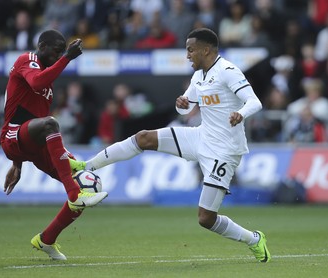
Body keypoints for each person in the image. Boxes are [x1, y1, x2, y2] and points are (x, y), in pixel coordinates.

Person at [70, 28, 271, 263]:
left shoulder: (228, 71)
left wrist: (240, 113)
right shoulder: (199, 75)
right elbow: (185, 107)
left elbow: (254, 101)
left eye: (190, 50)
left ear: (206, 49)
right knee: (144, 137)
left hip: (224, 151)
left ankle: (254, 239)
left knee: (206, 218)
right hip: (201, 136)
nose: (187, 55)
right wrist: (182, 103)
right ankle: (88, 165)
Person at [0, 29, 108, 260]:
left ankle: (46, 239)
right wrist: (68, 57)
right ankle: (73, 193)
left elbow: (34, 121)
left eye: (61, 53)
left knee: (89, 185)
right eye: (56, 52)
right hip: (12, 136)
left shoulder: (47, 87)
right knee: (51, 123)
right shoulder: (26, 60)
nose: (59, 57)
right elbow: (35, 85)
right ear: (42, 47)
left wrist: (17, 165)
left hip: (31, 143)